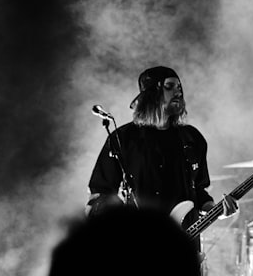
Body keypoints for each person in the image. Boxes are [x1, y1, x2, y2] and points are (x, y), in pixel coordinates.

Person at [86, 66, 237, 246]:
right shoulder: (123, 138)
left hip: (185, 247)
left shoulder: (192, 138)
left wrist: (215, 210)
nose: (178, 92)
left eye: (179, 87)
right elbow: (100, 194)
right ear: (153, 94)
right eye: (170, 86)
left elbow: (199, 191)